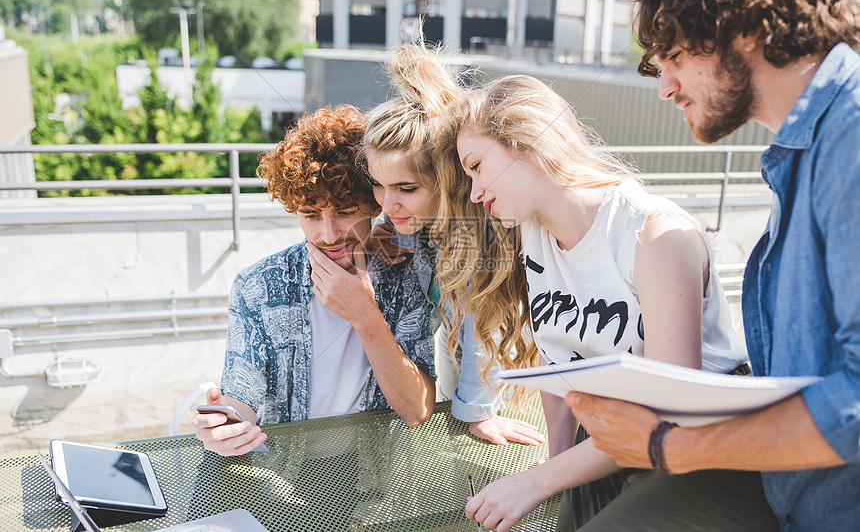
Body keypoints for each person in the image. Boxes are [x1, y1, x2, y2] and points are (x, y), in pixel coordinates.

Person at [565, 0, 860, 529]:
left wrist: (666, 448)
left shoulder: (849, 139)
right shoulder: (811, 148)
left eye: (675, 57)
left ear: (743, 26)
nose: (665, 87)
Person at [430, 69, 775, 527]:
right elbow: (560, 370)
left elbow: (670, 410)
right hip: (613, 446)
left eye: (476, 166)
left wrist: (541, 481)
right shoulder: (533, 234)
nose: (474, 192)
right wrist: (557, 473)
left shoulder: (652, 234)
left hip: (701, 448)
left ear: (526, 142)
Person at [192, 105, 436, 457]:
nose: (329, 233)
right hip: (279, 479)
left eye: (346, 212)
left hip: (376, 482)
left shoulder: (405, 277)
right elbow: (241, 400)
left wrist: (366, 317)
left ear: (374, 204)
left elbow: (418, 411)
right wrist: (223, 427)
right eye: (310, 214)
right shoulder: (257, 287)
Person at [358, 43, 545, 446]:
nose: (387, 206)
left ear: (446, 182)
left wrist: (476, 413)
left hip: (501, 369)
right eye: (378, 185)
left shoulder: (476, 236)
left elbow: (485, 334)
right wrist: (386, 234)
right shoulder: (418, 217)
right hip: (456, 343)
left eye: (405, 188)